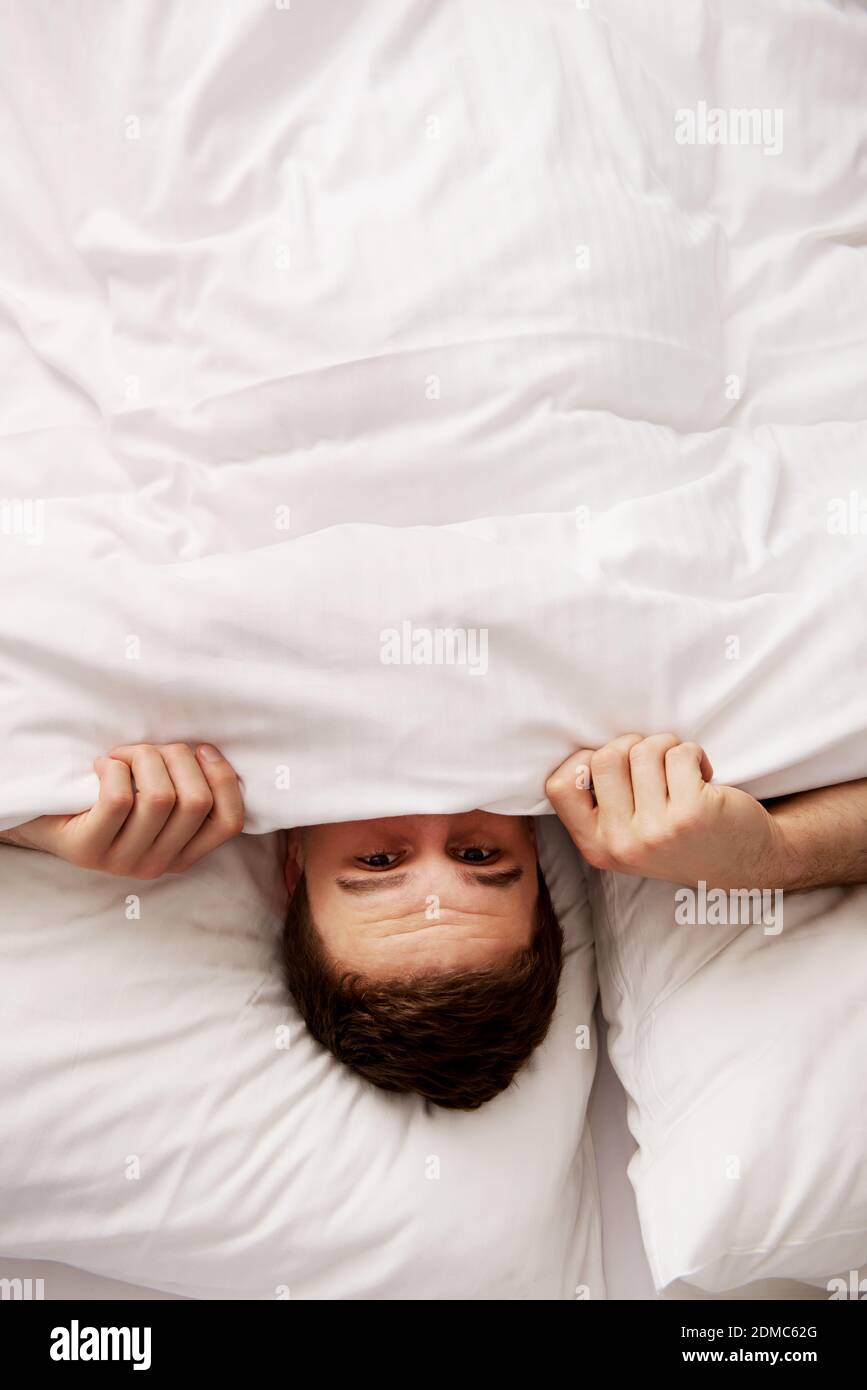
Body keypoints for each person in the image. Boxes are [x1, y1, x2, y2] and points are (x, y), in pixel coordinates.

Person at [2, 736, 865, 1109]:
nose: (430, 819)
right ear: (540, 854)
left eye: (375, 865)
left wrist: (41, 824)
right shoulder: (654, 780)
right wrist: (771, 858)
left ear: (292, 869)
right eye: (484, 859)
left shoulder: (168, 775)